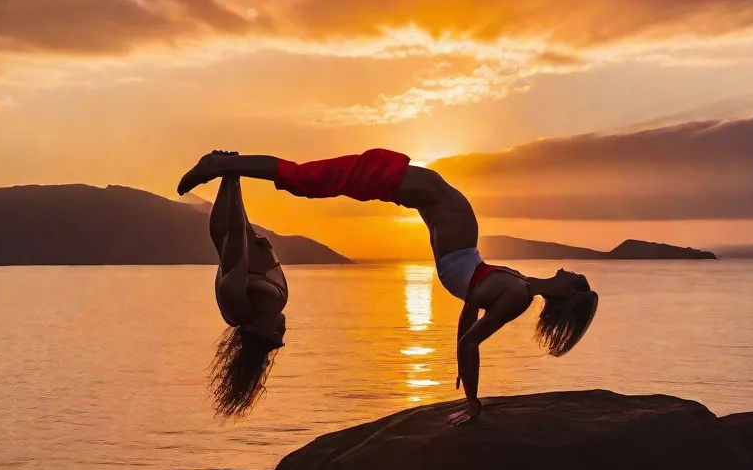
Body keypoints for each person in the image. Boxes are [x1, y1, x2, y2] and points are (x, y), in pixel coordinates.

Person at [178, 148, 598, 424]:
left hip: (449, 230)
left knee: (316, 178)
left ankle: (225, 166)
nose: (571, 272)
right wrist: (459, 365)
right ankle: (229, 167)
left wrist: (472, 400)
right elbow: (470, 311)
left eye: (577, 280)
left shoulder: (519, 295)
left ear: (568, 296)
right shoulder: (523, 288)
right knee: (336, 177)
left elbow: (472, 338)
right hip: (451, 232)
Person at [204, 152, 288, 418]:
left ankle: (219, 166)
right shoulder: (276, 302)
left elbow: (232, 236)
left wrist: (231, 174)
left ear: (255, 328)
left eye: (275, 335)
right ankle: (222, 167)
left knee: (231, 231)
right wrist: (232, 173)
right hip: (237, 227)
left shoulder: (236, 303)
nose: (283, 331)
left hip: (229, 227)